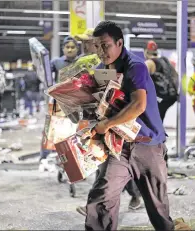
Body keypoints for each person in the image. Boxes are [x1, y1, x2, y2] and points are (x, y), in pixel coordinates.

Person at [84, 20, 174, 231]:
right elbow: (98, 100)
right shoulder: (101, 69)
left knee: (158, 205)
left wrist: (106, 124)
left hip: (148, 145)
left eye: (105, 45)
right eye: (97, 46)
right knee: (102, 196)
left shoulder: (136, 66)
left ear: (119, 43)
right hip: (120, 148)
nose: (100, 51)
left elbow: (138, 104)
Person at [74, 28, 142, 216]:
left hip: (116, 119)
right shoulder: (85, 61)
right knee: (104, 163)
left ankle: (132, 196)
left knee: (113, 163)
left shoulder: (112, 61)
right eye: (84, 42)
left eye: (88, 42)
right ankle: (99, 206)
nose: (85, 45)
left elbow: (118, 86)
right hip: (97, 118)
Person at [39, 36, 79, 170]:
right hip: (58, 102)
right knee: (50, 129)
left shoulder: (82, 62)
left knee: (75, 132)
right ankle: (44, 157)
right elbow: (45, 74)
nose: (70, 49)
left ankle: (76, 161)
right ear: (63, 49)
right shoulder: (56, 62)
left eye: (73, 47)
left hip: (76, 102)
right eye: (67, 47)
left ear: (77, 49)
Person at [144, 40, 178, 122]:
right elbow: (176, 77)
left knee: (151, 122)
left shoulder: (149, 63)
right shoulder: (166, 61)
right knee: (158, 120)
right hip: (170, 98)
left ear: (145, 52)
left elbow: (140, 79)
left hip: (159, 98)